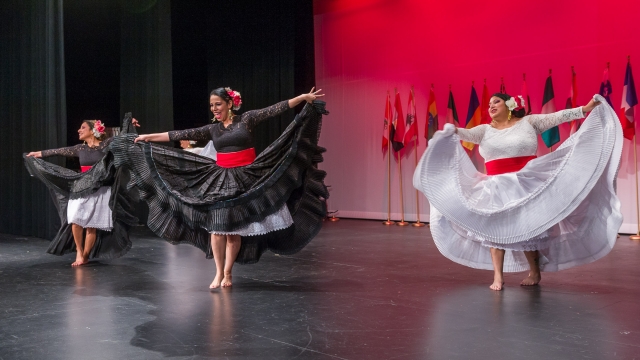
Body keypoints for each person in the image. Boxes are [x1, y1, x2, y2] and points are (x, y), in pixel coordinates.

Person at [111, 87, 329, 288]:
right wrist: (148, 137)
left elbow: (273, 110)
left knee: (233, 231)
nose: (214, 109)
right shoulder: (213, 129)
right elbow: (179, 134)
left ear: (229, 103)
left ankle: (228, 272)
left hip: (247, 175)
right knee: (216, 227)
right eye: (211, 106)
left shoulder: (247, 119)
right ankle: (217, 272)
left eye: (218, 104)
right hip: (220, 177)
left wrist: (301, 99)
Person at [413, 93, 622, 291]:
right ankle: (498, 276)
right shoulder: (484, 130)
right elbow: (462, 133)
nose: (491, 106)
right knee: (494, 229)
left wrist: (585, 109)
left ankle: (534, 271)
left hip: (525, 182)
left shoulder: (529, 123)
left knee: (528, 227)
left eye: (496, 102)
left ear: (509, 104)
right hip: (494, 185)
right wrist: (451, 131)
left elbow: (559, 116)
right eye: (489, 104)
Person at [24, 114, 140, 266]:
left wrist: (129, 123)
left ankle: (84, 256)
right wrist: (38, 154)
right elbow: (58, 151)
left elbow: (124, 139)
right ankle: (79, 250)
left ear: (94, 130)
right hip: (82, 186)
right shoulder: (80, 148)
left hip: (100, 189)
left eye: (83, 127)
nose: (79, 130)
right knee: (74, 219)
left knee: (92, 225)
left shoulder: (106, 145)